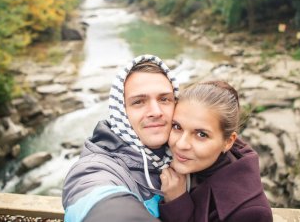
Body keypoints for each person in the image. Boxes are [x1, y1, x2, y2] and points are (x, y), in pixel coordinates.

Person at [62, 55, 179, 222]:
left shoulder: (187, 154)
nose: (156, 111)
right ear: (121, 112)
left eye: (164, 99)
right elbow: (97, 200)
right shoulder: (95, 168)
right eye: (139, 102)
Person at [159, 81, 273, 222]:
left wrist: (177, 203)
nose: (181, 144)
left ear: (228, 142)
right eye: (177, 126)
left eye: (201, 134)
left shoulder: (249, 213)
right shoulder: (161, 157)